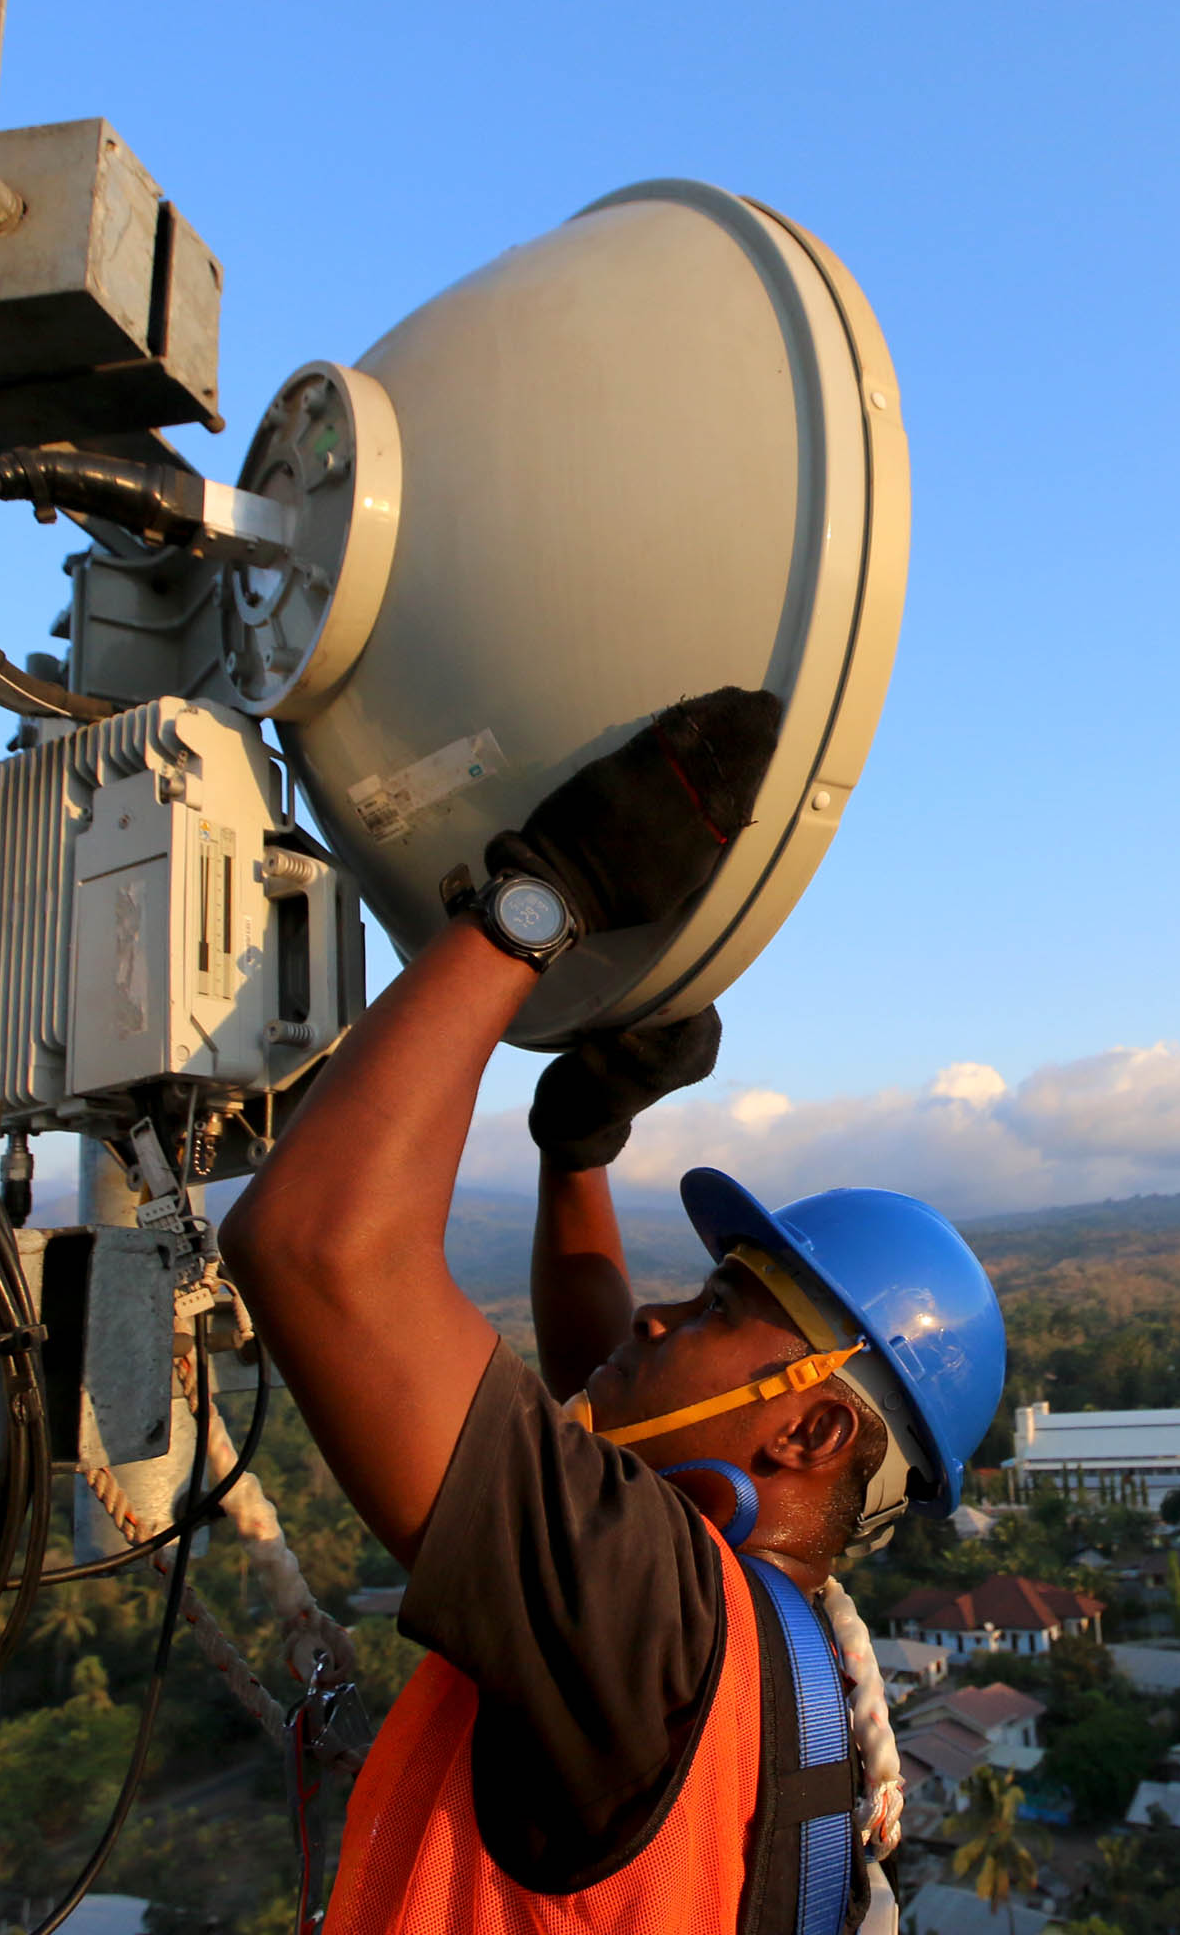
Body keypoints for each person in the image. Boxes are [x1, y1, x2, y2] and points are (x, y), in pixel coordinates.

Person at [221, 690, 1005, 1935]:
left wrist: (545, 898)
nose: (649, 1315)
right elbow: (602, 1381)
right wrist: (574, 1150)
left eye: (717, 1307)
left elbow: (316, 1246)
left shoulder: (659, 1630)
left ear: (808, 1434)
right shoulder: (758, 1657)